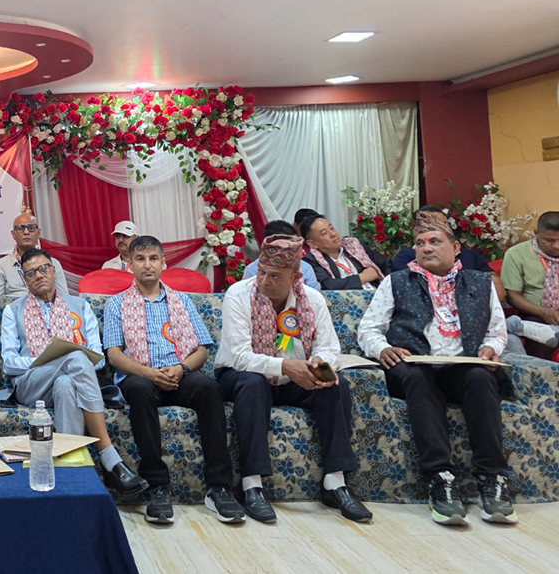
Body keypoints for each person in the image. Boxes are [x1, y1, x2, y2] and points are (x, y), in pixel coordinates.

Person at [357, 216, 514, 525]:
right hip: (413, 366)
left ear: (455, 248)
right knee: (418, 377)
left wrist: (490, 348)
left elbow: (497, 332)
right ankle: (440, 478)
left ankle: (493, 478)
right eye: (420, 243)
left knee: (480, 377)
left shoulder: (481, 283)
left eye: (434, 242)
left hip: (462, 365)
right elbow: (369, 329)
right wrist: (383, 349)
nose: (426, 248)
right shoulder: (396, 282)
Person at [217, 234, 371, 523]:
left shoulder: (312, 299)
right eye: (262, 272)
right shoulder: (238, 295)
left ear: (296, 276)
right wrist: (286, 366)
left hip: (295, 378)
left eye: (275, 276)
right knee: (252, 383)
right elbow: (240, 356)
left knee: (335, 386)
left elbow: (329, 347)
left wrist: (318, 365)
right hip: (241, 376)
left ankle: (335, 482)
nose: (264, 281)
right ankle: (252, 486)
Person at [104, 236, 245, 524]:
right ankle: (157, 486)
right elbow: (114, 355)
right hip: (141, 376)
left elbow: (202, 349)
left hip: (179, 374)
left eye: (153, 258)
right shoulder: (116, 304)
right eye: (140, 259)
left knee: (208, 387)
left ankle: (219, 487)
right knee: (139, 390)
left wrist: (181, 368)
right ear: (130, 265)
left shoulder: (182, 301)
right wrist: (147, 372)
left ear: (163, 263)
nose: (147, 265)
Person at [0, 248, 147, 497]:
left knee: (66, 383)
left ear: (53, 270)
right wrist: (49, 360)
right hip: (31, 385)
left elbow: (98, 359)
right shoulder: (12, 310)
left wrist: (65, 363)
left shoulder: (80, 306)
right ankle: (108, 455)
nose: (39, 275)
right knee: (75, 357)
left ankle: (72, 477)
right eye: (31, 273)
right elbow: (9, 363)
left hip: (73, 380)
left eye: (44, 269)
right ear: (25, 279)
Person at [501, 211, 559, 355]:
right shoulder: (516, 253)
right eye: (549, 240)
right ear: (536, 233)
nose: (556, 246)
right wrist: (543, 312)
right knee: (541, 340)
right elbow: (512, 295)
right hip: (536, 313)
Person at [296, 209, 390, 291]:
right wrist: (362, 277)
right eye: (324, 233)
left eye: (332, 228)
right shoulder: (311, 260)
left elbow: (385, 265)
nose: (333, 234)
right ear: (312, 243)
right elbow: (327, 285)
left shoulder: (355, 245)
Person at [0, 212, 70, 299]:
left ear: (38, 233)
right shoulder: (0, 266)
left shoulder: (53, 263)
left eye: (31, 228)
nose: (26, 232)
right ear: (13, 234)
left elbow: (64, 298)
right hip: (15, 306)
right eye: (20, 228)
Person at [242, 220, 321, 290]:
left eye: (295, 243)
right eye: (289, 244)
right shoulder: (252, 270)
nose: (294, 248)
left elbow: (315, 294)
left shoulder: (305, 267)